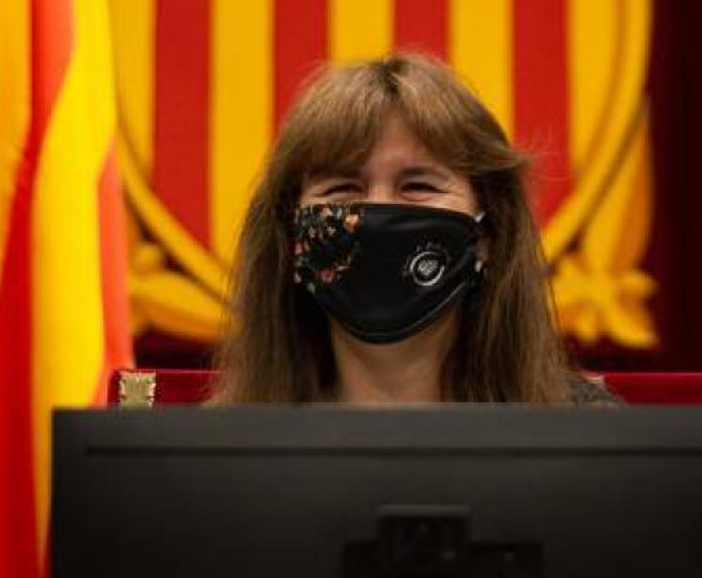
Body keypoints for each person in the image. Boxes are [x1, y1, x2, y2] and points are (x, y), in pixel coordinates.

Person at [211, 53, 616, 405]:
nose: (379, 208)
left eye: (418, 186)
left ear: (487, 235)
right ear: (293, 237)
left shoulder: (585, 434)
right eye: (342, 188)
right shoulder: (222, 448)